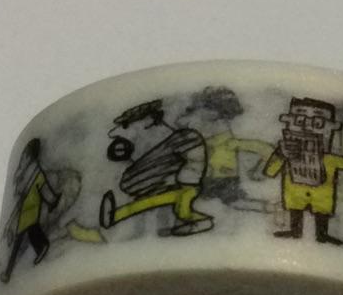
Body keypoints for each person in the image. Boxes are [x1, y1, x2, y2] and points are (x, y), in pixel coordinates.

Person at [263, 98, 343, 245]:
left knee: (322, 211)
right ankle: (295, 231)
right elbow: (270, 171)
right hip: (295, 196)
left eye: (318, 123)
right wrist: (280, 154)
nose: (308, 127)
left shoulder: (328, 160)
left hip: (321, 199)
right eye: (300, 121)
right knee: (296, 208)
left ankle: (322, 234)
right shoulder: (288, 153)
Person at [99, 98, 213, 236]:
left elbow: (190, 153)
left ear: (149, 121)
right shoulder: (179, 140)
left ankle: (116, 215)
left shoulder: (182, 139)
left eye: (126, 125)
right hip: (185, 181)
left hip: (186, 180)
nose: (113, 133)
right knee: (172, 207)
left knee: (145, 196)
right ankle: (116, 215)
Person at [175, 86, 274, 210]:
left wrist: (261, 170)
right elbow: (183, 124)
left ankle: (271, 208)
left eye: (217, 119)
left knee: (234, 202)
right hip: (203, 179)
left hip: (224, 180)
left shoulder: (228, 141)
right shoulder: (203, 134)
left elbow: (266, 149)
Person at [0, 138, 60, 283]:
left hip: (30, 210)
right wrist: (52, 200)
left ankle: (8, 273)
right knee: (30, 231)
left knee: (23, 236)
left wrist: (52, 200)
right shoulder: (31, 172)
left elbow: (43, 189)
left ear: (30, 155)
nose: (24, 157)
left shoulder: (33, 172)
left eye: (26, 154)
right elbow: (44, 190)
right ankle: (41, 247)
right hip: (26, 210)